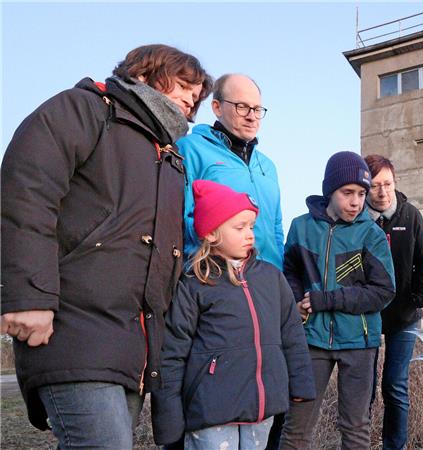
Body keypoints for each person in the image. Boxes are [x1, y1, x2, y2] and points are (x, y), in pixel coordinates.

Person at [0, 44, 212, 447]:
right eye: (185, 86)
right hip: (73, 328)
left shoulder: (169, 157)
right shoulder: (84, 110)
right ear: (145, 74)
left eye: (197, 95)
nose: (191, 99)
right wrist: (28, 296)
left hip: (131, 346)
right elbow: (26, 192)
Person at [151, 180, 315, 449]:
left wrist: (300, 384)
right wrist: (168, 419)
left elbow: (292, 334)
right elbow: (172, 352)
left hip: (262, 409)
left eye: (251, 226)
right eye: (240, 228)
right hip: (211, 411)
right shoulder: (195, 284)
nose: (250, 234)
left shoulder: (271, 278)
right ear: (212, 234)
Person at [279, 151, 396, 449]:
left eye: (361, 194)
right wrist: (296, 300)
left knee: (355, 428)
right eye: (347, 193)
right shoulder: (301, 227)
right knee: (296, 427)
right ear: (329, 190)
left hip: (359, 341)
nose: (356, 202)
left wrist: (327, 300)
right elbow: (289, 271)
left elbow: (383, 291)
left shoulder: (371, 234)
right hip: (311, 338)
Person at [178, 73, 285, 270]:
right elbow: (180, 218)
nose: (251, 116)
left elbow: (276, 230)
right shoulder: (190, 149)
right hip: (215, 276)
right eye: (242, 106)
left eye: (257, 109)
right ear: (217, 107)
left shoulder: (268, 166)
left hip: (267, 278)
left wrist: (278, 274)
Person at [364, 154, 423, 450]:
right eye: (375, 185)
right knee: (364, 388)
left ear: (395, 182)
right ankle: (358, 443)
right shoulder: (358, 219)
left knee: (394, 384)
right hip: (367, 316)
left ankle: (394, 446)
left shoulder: (410, 216)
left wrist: (418, 297)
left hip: (404, 315)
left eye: (387, 184)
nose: (382, 192)